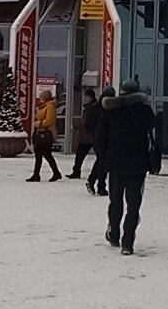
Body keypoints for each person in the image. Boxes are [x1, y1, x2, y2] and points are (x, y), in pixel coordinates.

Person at [95, 79, 159, 255]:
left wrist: (104, 156)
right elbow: (154, 131)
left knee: (115, 201)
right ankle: (128, 243)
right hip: (138, 164)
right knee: (133, 205)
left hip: (115, 163)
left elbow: (100, 138)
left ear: (121, 91)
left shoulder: (110, 111)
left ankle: (114, 234)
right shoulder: (144, 111)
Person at [27, 88, 62, 182]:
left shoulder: (50, 107)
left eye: (41, 97)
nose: (40, 98)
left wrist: (39, 123)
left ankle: (55, 173)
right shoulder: (43, 107)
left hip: (46, 133)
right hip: (40, 133)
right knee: (40, 155)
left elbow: (50, 120)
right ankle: (37, 174)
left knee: (46, 154)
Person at [86, 87, 114, 196]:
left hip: (97, 139)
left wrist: (94, 134)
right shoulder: (109, 108)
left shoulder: (95, 107)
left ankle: (93, 181)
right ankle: (100, 186)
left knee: (100, 161)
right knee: (103, 163)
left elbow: (88, 124)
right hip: (106, 139)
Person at [67, 88, 98, 180]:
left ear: (91, 97)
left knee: (81, 155)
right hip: (87, 136)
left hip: (89, 136)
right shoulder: (88, 108)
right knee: (79, 156)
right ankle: (76, 171)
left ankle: (77, 172)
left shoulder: (92, 109)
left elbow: (85, 122)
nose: (85, 98)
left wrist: (75, 126)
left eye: (87, 97)